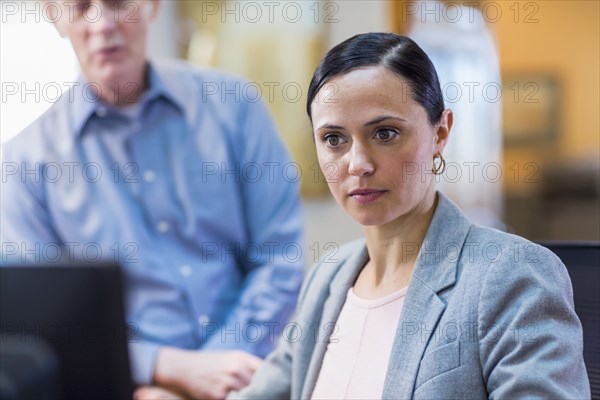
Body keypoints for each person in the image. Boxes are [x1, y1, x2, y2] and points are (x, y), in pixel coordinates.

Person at [230, 33, 590, 399]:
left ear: (441, 132)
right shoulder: (327, 277)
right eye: (334, 139)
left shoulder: (512, 276)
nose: (358, 164)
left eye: (385, 133)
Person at [0, 1, 304, 399]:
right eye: (80, 7)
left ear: (153, 6)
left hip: (252, 375)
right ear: (54, 16)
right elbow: (43, 324)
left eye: (116, 2)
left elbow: (280, 256)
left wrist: (224, 366)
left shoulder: (235, 106)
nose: (102, 23)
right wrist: (164, 369)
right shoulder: (21, 164)